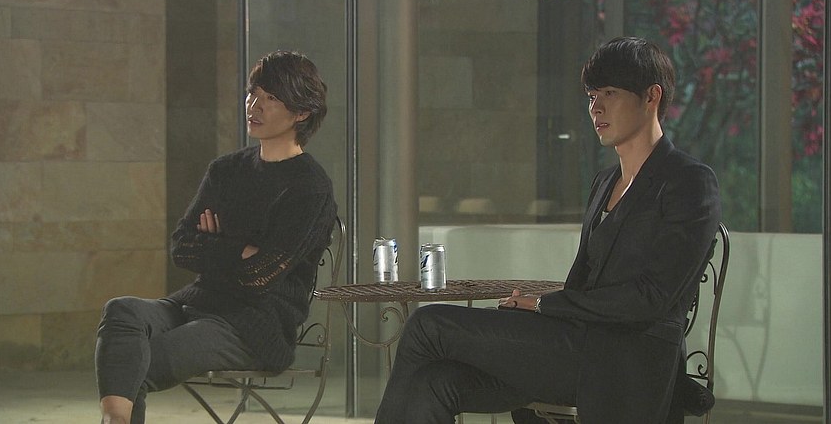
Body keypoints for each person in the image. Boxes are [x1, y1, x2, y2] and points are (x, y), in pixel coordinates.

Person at [374, 37, 721, 424]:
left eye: (610, 93)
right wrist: (536, 310)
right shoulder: (604, 182)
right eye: (592, 96)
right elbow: (583, 283)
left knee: (427, 324)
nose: (596, 108)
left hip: (625, 360)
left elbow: (651, 297)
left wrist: (544, 304)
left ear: (651, 97)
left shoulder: (688, 181)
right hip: (572, 347)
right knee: (434, 382)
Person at [95, 51, 338, 424]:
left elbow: (261, 275)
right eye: (253, 92)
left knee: (134, 364)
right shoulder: (226, 170)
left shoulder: (310, 187)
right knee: (122, 310)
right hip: (198, 304)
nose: (254, 105)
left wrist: (217, 245)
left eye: (271, 97)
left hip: (254, 326)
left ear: (301, 113)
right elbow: (181, 247)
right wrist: (240, 249)